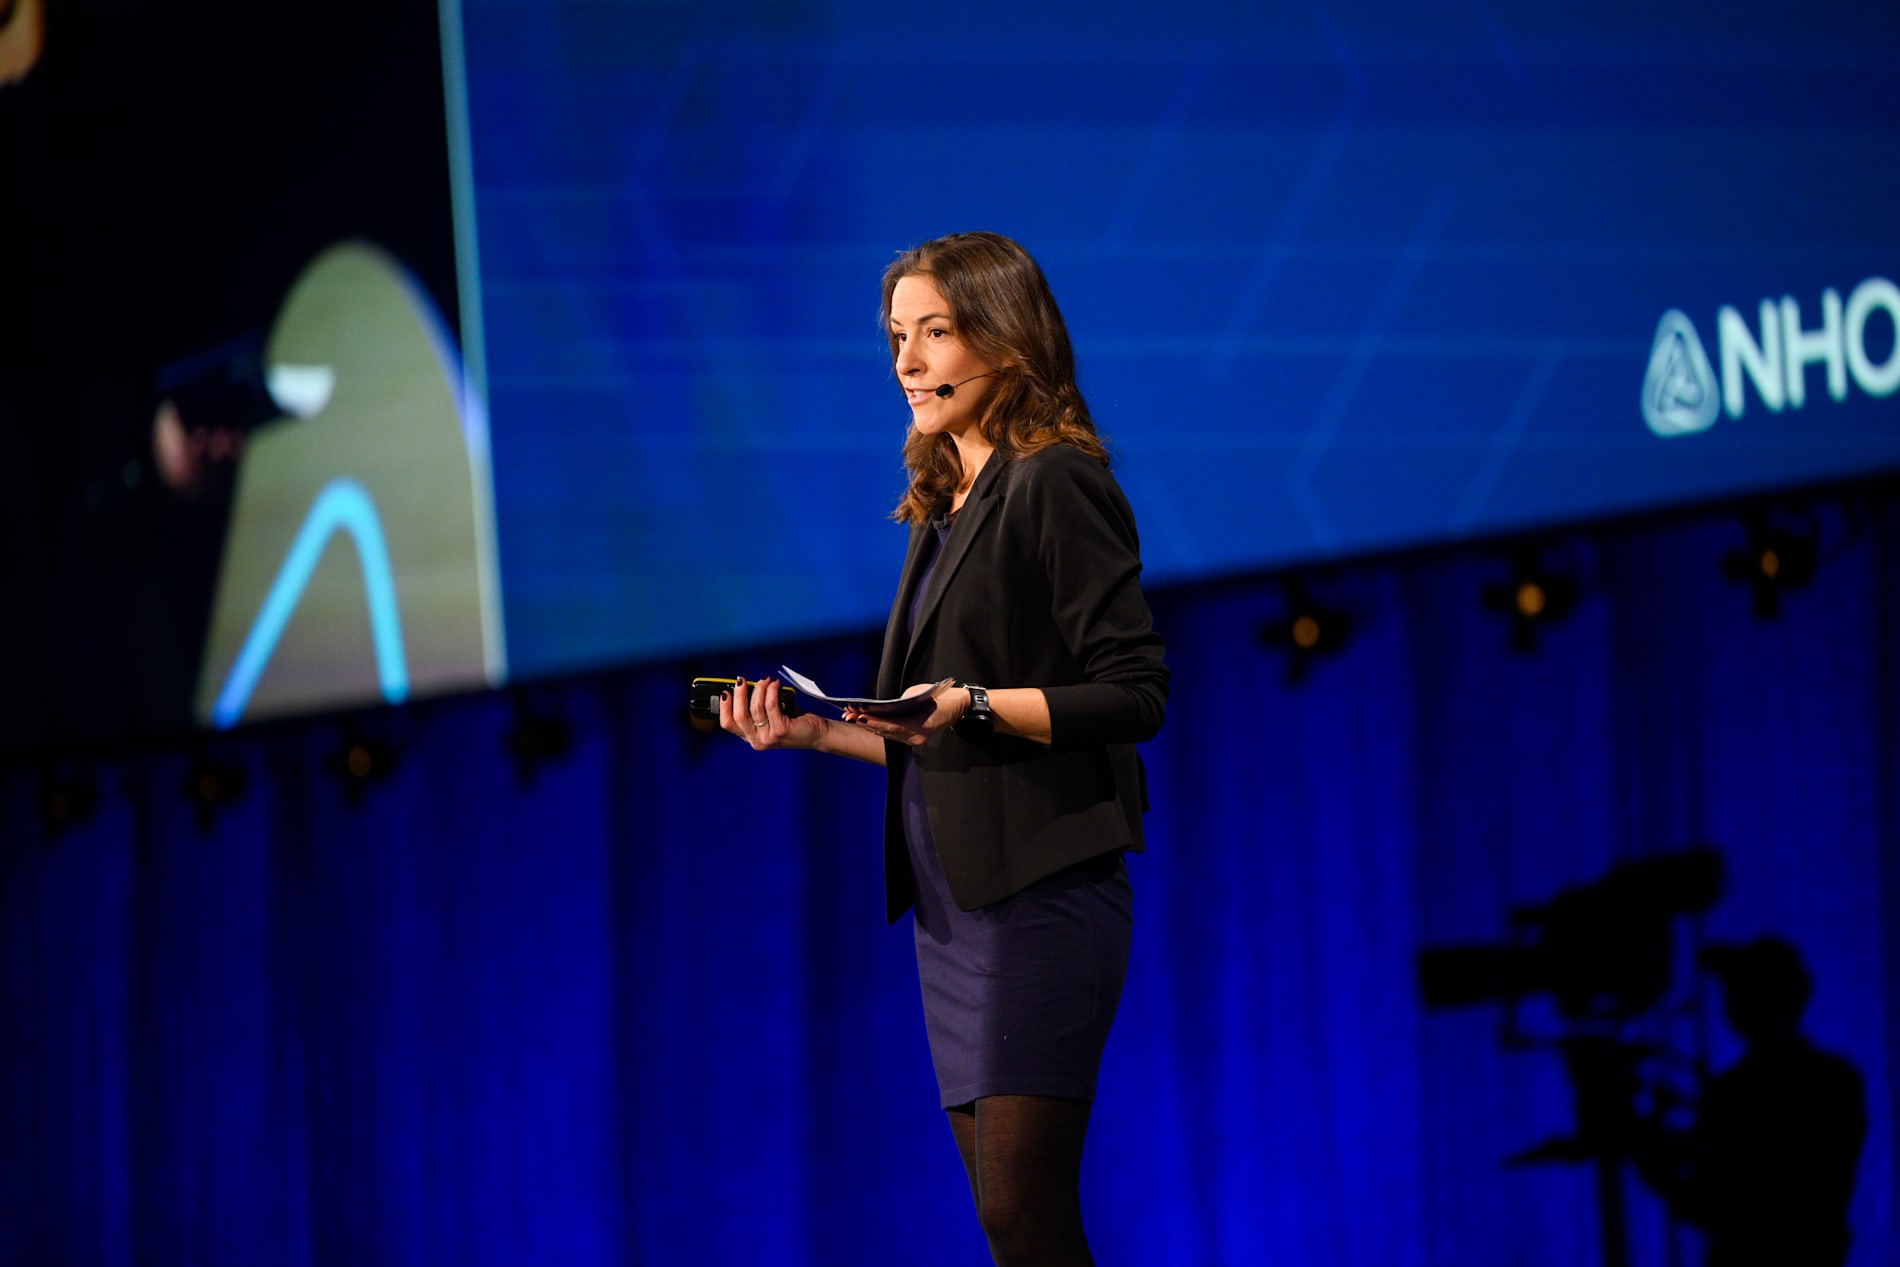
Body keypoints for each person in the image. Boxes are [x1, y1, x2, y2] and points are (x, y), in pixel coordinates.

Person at [719, 231, 1168, 1265]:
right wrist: (817, 730)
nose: (907, 362)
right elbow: (943, 734)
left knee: (1022, 1208)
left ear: (1005, 343)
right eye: (896, 338)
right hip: (953, 908)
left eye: (935, 333)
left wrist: (972, 699)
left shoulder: (1052, 481)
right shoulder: (939, 510)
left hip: (1042, 891)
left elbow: (1135, 692)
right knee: (1008, 1221)